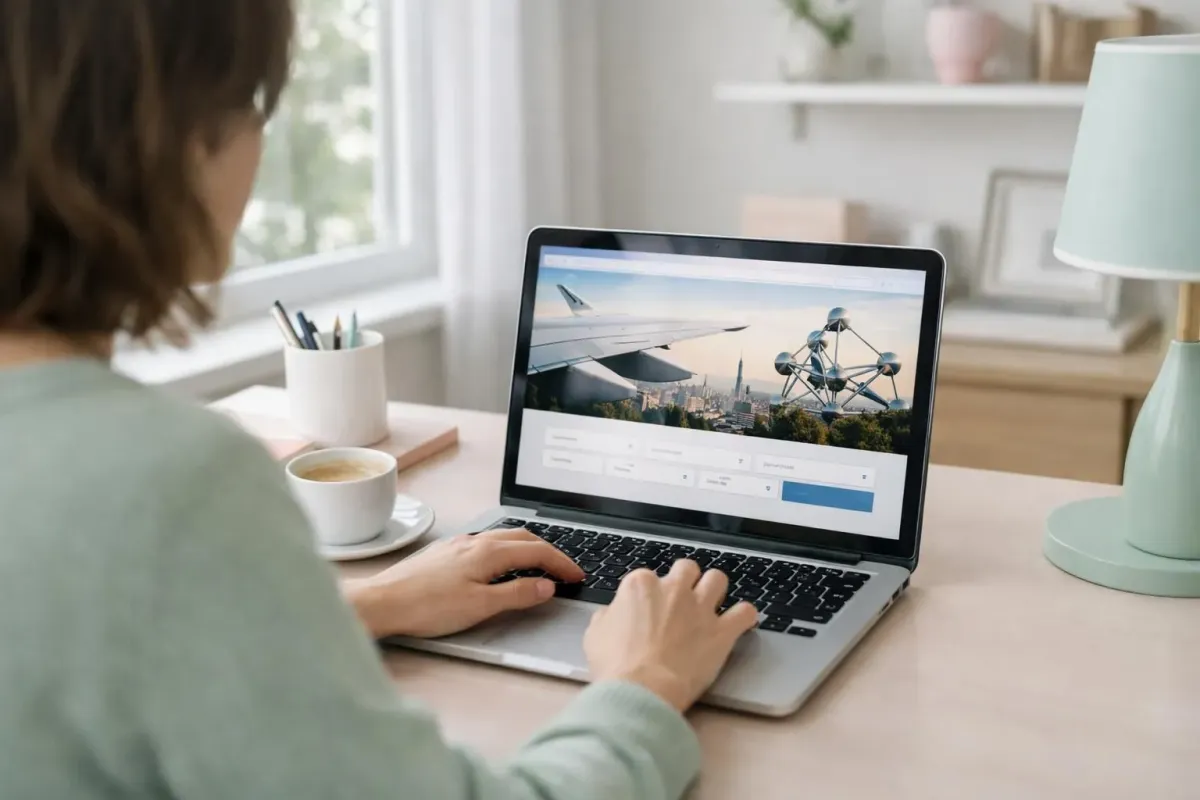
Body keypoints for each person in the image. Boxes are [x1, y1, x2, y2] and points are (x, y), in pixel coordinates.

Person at [0, 2, 759, 798]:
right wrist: (644, 682)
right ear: (173, 133)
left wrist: (358, 607)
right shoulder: (168, 485)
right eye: (251, 101)